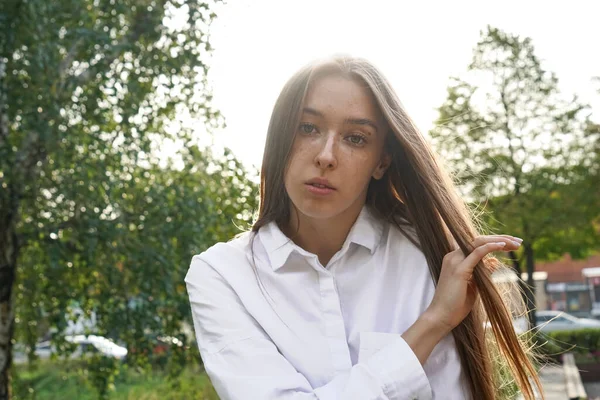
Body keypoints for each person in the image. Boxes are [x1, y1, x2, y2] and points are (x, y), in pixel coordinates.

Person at [185, 56, 542, 399]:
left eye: (355, 138)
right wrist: (431, 323)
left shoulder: (431, 257)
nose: (326, 155)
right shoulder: (221, 275)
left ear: (381, 161)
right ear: (280, 139)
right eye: (307, 128)